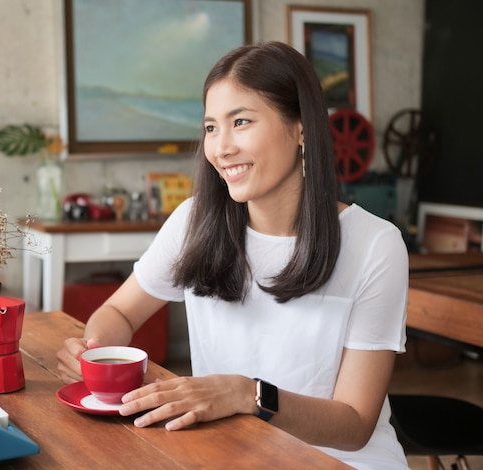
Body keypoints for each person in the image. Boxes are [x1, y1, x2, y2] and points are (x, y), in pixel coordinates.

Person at [57, 41, 409, 469]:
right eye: (210, 127)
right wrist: (96, 350)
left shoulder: (375, 244)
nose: (220, 148)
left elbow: (354, 426)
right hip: (230, 455)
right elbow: (120, 312)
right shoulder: (195, 222)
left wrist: (248, 394)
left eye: (240, 122)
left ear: (302, 128)